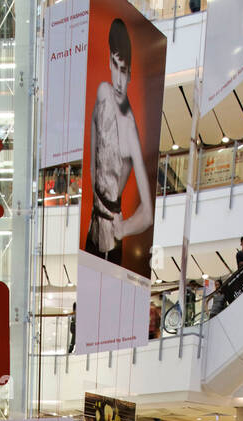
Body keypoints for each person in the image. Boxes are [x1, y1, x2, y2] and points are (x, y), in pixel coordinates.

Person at [83, 17, 153, 265]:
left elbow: (147, 214)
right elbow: (94, 157)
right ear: (110, 62)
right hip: (93, 227)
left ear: (130, 73)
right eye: (116, 66)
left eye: (125, 71)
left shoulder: (130, 128)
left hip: (110, 244)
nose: (120, 80)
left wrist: (122, 228)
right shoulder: (103, 93)